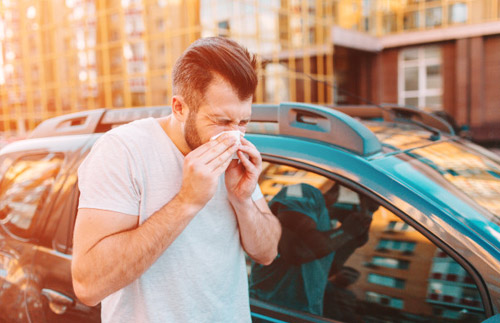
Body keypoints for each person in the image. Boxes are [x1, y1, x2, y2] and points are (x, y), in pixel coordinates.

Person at [71, 37, 281, 323]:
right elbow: (88, 285)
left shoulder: (234, 158)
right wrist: (187, 201)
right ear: (179, 108)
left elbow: (268, 253)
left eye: (243, 122)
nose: (235, 136)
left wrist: (243, 200)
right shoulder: (122, 151)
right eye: (221, 121)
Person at [249, 182, 373, 316]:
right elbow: (297, 250)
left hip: (302, 314)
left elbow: (321, 271)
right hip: (270, 311)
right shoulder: (302, 192)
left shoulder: (322, 216)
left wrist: (352, 242)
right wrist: (346, 232)